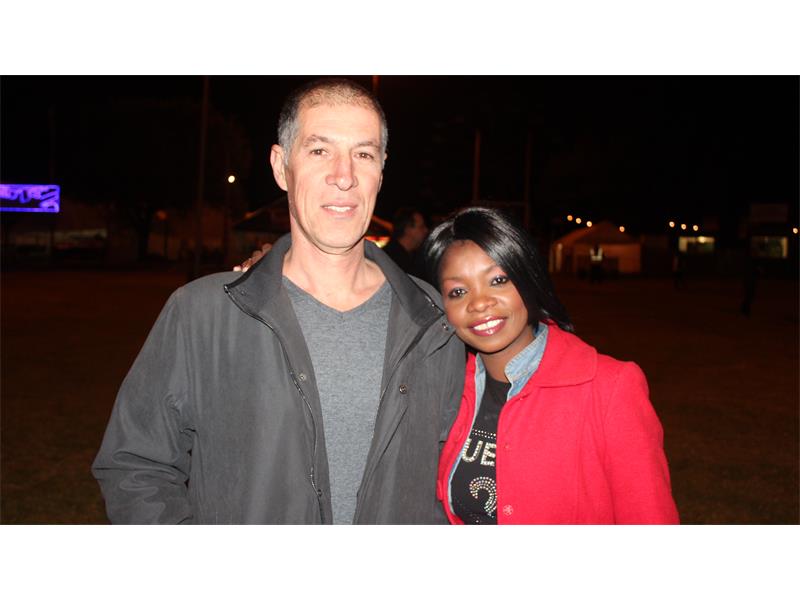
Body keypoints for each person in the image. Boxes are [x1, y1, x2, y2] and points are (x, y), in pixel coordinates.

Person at [92, 78, 465, 524]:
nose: (343, 176)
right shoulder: (202, 314)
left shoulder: (436, 321)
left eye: (363, 154)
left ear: (381, 172)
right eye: (319, 150)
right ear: (280, 166)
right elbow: (136, 467)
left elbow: (453, 477)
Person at [423, 207, 679, 524]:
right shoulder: (446, 392)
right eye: (458, 291)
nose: (479, 303)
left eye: (498, 280)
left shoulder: (609, 389)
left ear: (528, 278)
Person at [382, 206, 429, 280]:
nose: (426, 230)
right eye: (421, 227)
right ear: (408, 229)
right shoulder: (391, 260)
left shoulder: (412, 257)